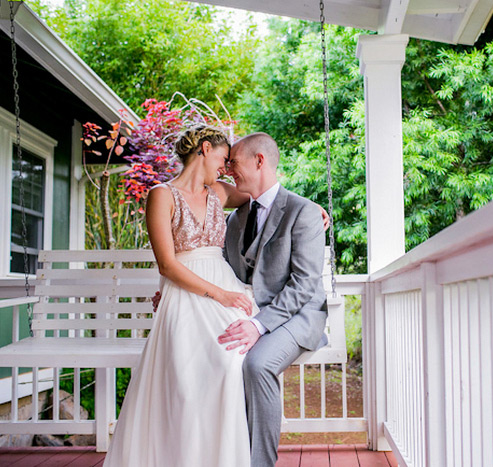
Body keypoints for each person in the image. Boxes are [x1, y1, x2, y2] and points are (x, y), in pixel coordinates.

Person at [103, 124, 258, 467]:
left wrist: (310, 209)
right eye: (223, 157)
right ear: (204, 148)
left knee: (233, 365)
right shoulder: (162, 195)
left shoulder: (219, 192)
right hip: (187, 291)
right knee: (186, 384)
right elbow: (167, 265)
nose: (227, 165)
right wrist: (219, 295)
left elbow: (264, 193)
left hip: (225, 287)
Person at [217, 133, 328, 467]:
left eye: (233, 162)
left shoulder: (303, 211)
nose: (228, 170)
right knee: (215, 358)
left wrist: (258, 325)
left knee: (258, 364)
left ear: (259, 161)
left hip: (299, 316)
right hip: (254, 313)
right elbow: (220, 270)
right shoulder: (235, 220)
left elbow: (304, 283)